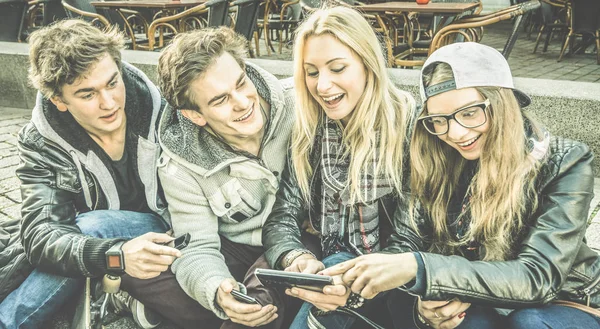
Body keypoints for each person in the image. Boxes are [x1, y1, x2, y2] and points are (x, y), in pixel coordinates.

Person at [323, 42, 600, 329]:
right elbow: (407, 243)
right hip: (477, 297)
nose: (455, 133)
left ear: (502, 103)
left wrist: (422, 269)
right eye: (439, 120)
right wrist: (365, 284)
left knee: (528, 322)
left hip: (566, 300)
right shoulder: (435, 158)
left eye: (469, 113)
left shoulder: (566, 160)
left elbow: (539, 277)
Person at [0, 20, 180, 329]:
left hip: (174, 225)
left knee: (93, 226)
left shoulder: (165, 110)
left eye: (113, 82)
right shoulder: (42, 141)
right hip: (102, 247)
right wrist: (116, 255)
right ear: (59, 101)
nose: (109, 103)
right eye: (87, 94)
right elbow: (41, 236)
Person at [120, 27, 298, 329]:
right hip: (234, 245)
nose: (242, 102)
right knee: (140, 270)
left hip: (293, 238)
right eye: (220, 100)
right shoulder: (179, 165)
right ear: (195, 116)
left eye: (242, 83)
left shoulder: (299, 104)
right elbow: (198, 246)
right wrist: (218, 291)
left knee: (260, 296)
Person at [261, 6, 417, 329]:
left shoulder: (408, 124)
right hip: (330, 274)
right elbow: (282, 216)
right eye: (312, 72)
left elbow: (411, 235)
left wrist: (352, 280)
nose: (322, 86)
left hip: (397, 283)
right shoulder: (310, 128)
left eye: (337, 68)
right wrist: (296, 258)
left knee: (338, 266)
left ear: (366, 63)